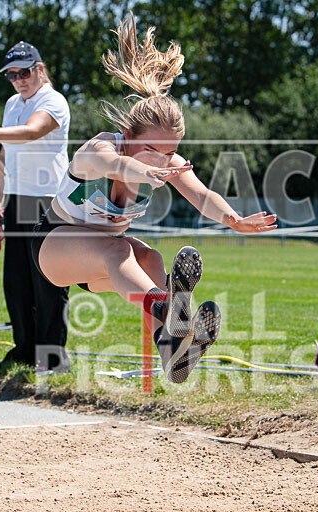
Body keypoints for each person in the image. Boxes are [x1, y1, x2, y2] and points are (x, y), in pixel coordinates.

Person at [32, 15, 276, 384]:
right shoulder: (100, 148)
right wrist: (142, 171)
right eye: (151, 149)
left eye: (169, 152)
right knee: (119, 250)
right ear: (128, 134)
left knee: (150, 258)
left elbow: (202, 195)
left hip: (97, 262)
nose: (161, 160)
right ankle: (169, 310)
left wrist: (233, 219)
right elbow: (112, 164)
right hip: (54, 247)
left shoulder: (166, 163)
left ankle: (173, 352)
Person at [0, 42, 71, 372]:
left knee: (48, 279)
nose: (18, 80)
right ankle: (23, 351)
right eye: (11, 75)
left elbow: (32, 131)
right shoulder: (11, 104)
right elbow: (5, 153)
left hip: (49, 201)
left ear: (40, 69)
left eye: (24, 73)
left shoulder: (53, 101)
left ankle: (53, 358)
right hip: (18, 199)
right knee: (17, 281)